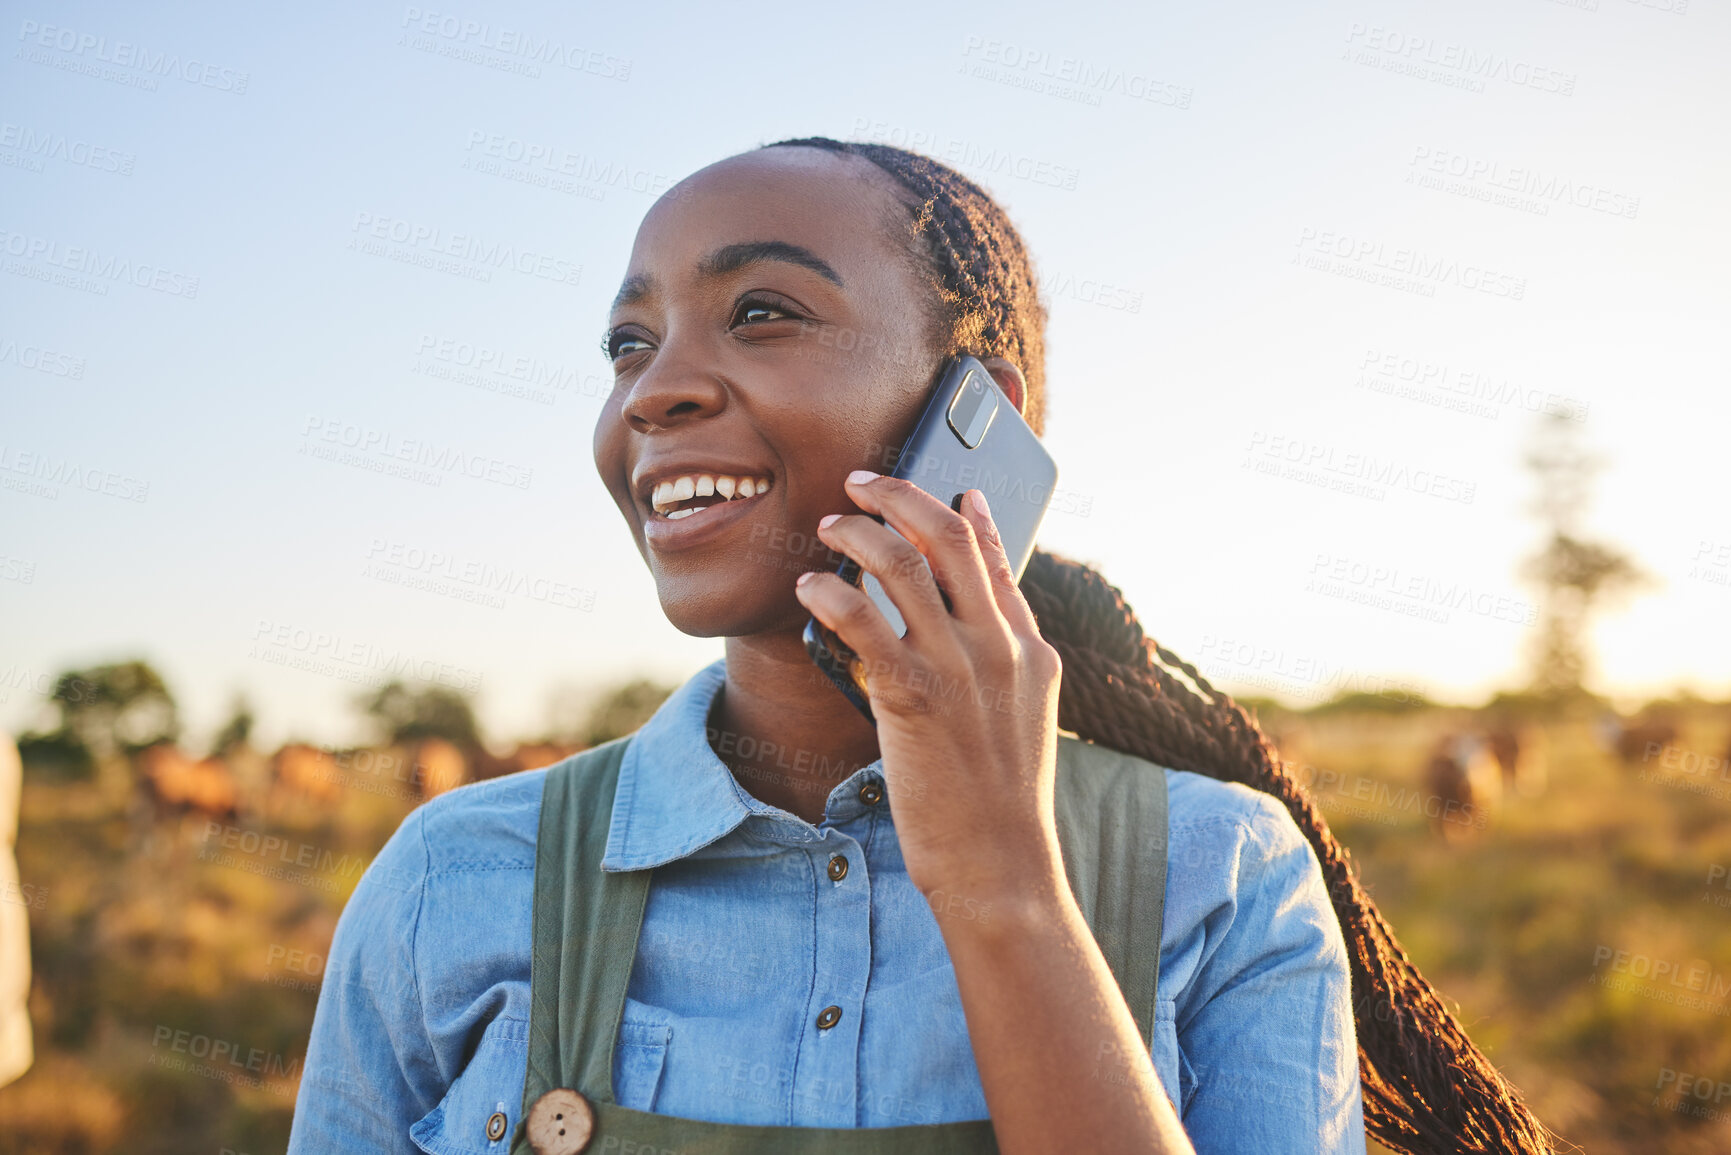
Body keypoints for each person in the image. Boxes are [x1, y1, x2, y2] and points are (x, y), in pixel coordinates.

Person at [289, 137, 1555, 1154]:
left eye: (763, 311)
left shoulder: (1221, 877)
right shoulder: (449, 877)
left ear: (978, 419)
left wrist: (1004, 887)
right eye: (629, 342)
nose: (651, 390)